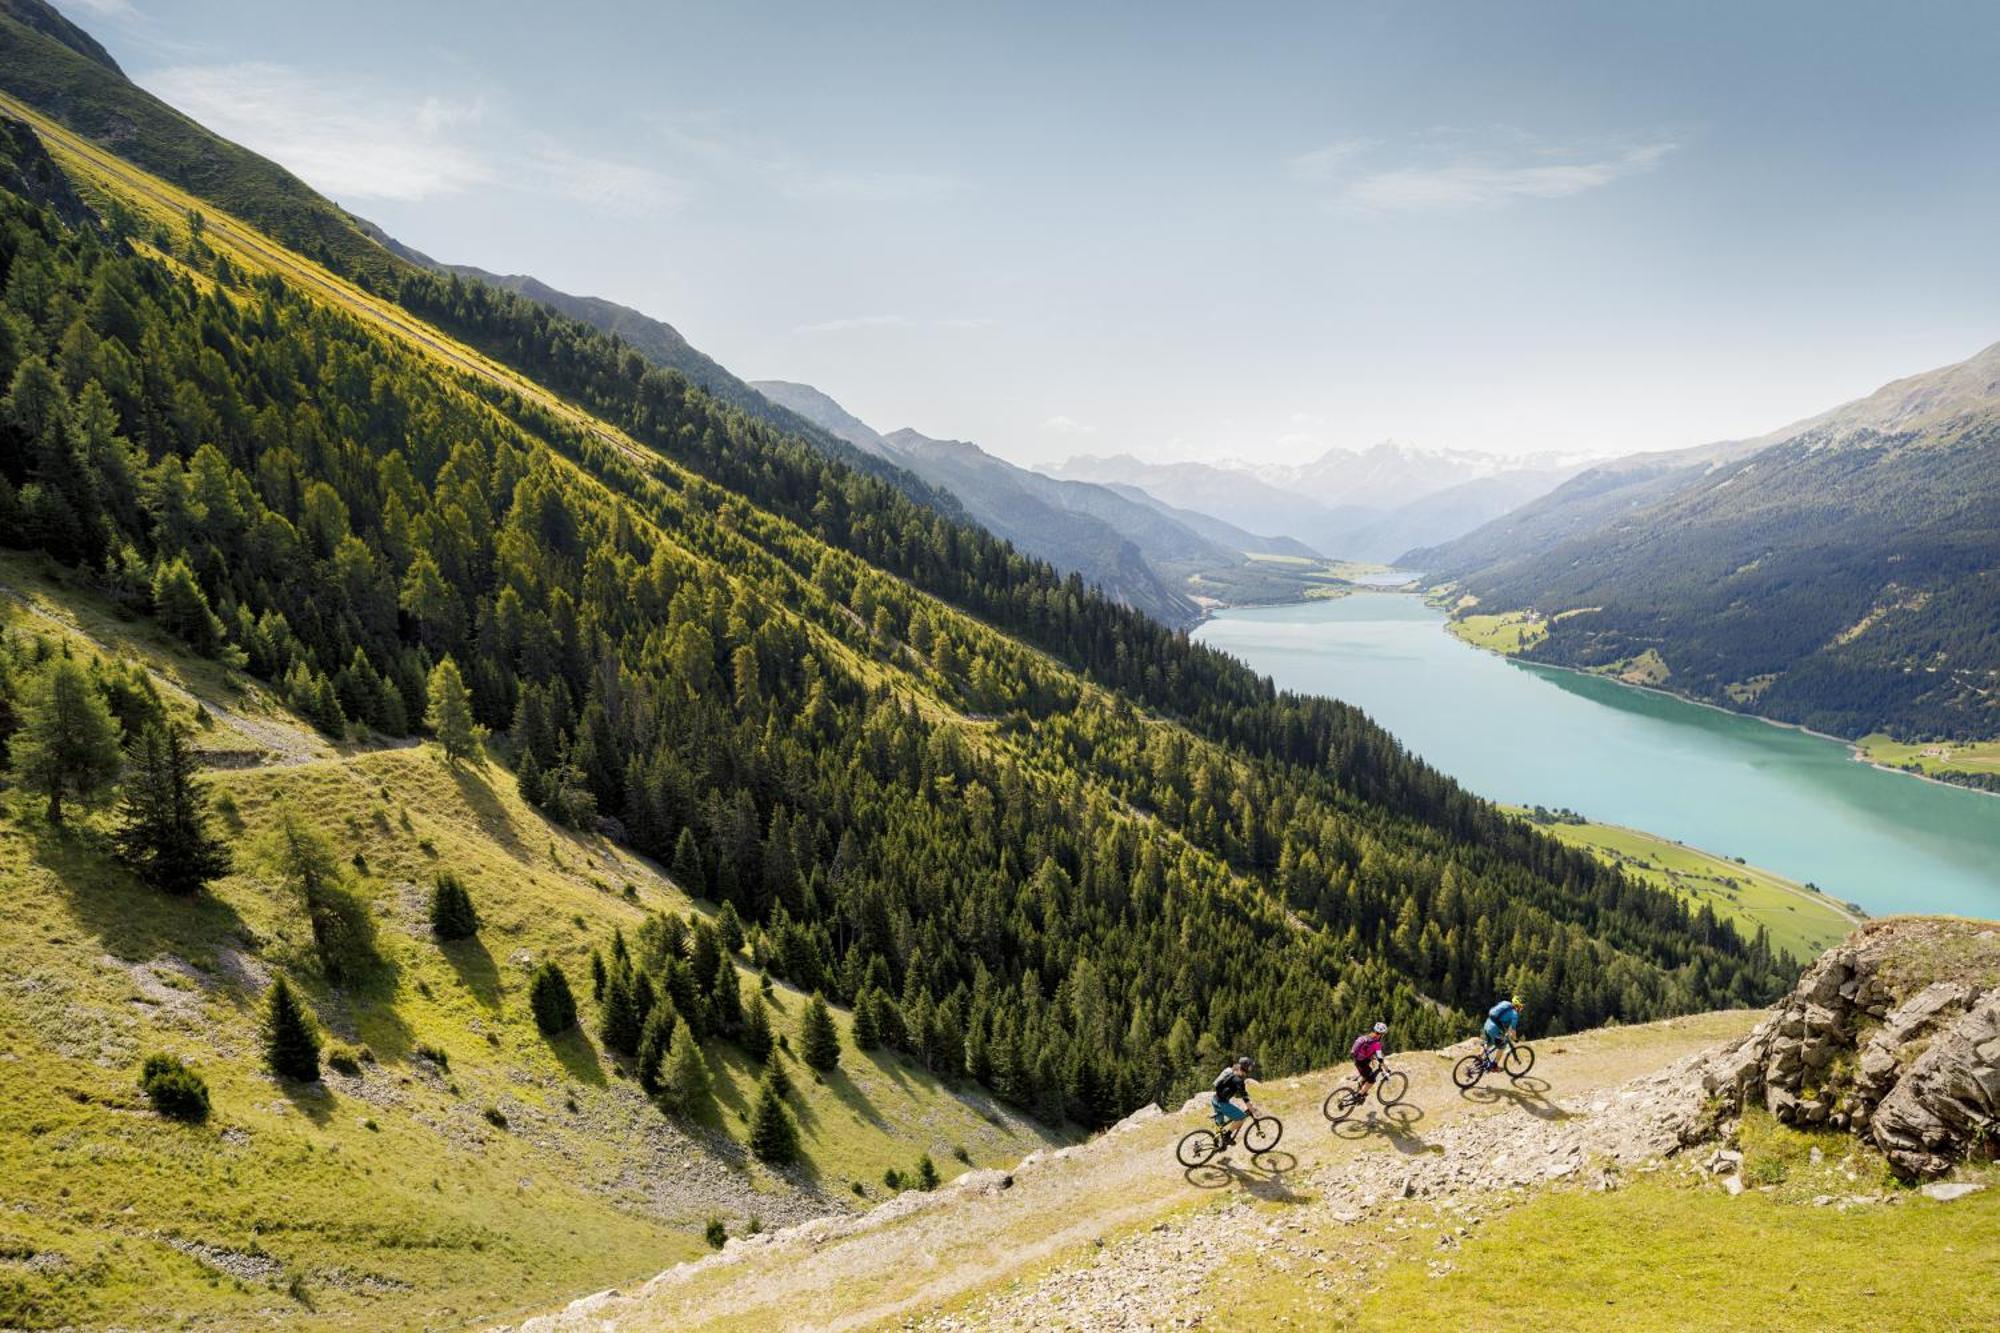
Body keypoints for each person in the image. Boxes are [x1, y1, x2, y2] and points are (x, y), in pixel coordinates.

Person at [1211, 1055, 1257, 1141]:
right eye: (1250, 1066)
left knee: (1220, 1125)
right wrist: (1251, 1108)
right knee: (1242, 1118)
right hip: (1222, 1103)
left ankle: (1216, 1142)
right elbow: (1244, 1097)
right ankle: (1227, 1137)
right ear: (1246, 1068)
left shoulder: (1233, 1071)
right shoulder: (1239, 1080)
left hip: (1215, 1099)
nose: (1251, 1068)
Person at [1483, 996, 1524, 1069]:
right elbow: (1513, 1030)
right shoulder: (1514, 1015)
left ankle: (1478, 1058)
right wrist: (1515, 1039)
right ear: (1517, 1006)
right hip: (1494, 1029)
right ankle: (1494, 1066)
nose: (1521, 1008)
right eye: (1521, 1006)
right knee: (1502, 1046)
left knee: (1489, 1043)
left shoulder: (1505, 1002)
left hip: (1487, 1024)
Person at [1350, 1021, 1388, 1093]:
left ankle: (1360, 1084)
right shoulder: (1376, 1044)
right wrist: (1386, 1068)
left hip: (1357, 1060)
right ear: (1381, 1034)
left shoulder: (1365, 1037)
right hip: (1362, 1063)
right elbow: (1380, 1058)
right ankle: (1359, 1094)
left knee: (1367, 1073)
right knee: (1372, 1080)